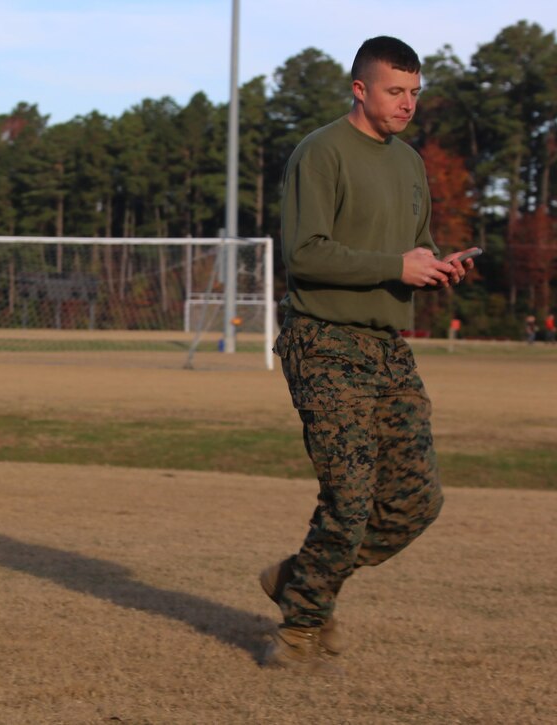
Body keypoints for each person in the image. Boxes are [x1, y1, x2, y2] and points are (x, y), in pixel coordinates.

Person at [264, 35, 477, 674]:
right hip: (324, 342)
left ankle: (301, 578)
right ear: (360, 89)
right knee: (350, 498)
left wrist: (438, 266)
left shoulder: (409, 164)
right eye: (395, 91)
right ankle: (299, 629)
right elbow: (304, 254)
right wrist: (395, 265)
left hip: (387, 348)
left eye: (415, 92)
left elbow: (413, 247)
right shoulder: (321, 153)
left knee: (417, 501)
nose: (407, 103)